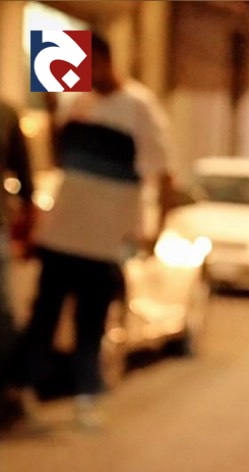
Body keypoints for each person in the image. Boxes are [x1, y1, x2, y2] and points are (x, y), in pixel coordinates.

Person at [10, 32, 173, 430]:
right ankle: (26, 390)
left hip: (103, 241)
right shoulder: (76, 101)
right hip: (62, 235)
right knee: (44, 317)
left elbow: (164, 173)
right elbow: (58, 156)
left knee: (91, 322)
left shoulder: (139, 107)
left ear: (104, 60)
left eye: (87, 63)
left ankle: (86, 396)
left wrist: (155, 230)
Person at [0, 98, 36, 429]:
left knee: (3, 313)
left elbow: (24, 174)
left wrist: (30, 226)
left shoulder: (6, 113)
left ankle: (10, 391)